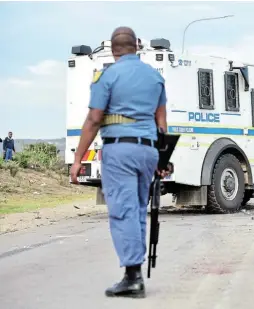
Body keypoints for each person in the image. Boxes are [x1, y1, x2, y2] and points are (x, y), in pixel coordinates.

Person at [70, 26, 168, 299]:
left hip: (120, 152)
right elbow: (162, 123)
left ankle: (133, 277)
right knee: (136, 209)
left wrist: (78, 159)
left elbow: (93, 119)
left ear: (114, 50)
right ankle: (133, 270)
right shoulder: (154, 77)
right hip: (148, 151)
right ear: (136, 47)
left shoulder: (108, 76)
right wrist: (163, 159)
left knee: (122, 210)